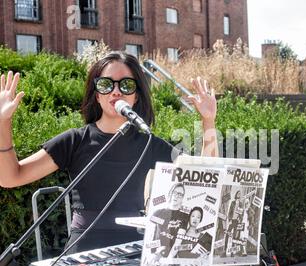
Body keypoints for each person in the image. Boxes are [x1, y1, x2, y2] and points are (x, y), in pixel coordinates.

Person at [0, 51, 218, 254]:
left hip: (133, 248)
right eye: (106, 84)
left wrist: (208, 121)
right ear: (96, 95)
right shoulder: (74, 140)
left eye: (126, 85)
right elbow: (10, 177)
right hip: (83, 248)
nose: (115, 91)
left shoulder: (148, 143)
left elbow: (207, 176)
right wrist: (3, 122)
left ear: (136, 96)